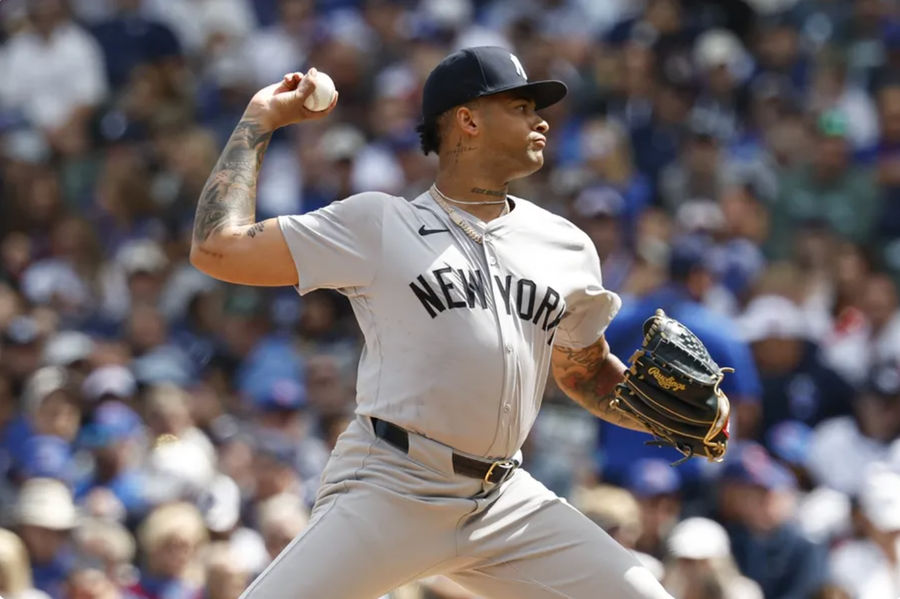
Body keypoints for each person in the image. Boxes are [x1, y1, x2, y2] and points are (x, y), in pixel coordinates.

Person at [189, 46, 672, 597]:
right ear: (467, 120)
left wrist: (668, 417)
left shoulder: (566, 246)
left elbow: (582, 371)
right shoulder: (378, 223)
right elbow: (217, 248)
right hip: (393, 483)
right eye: (520, 106)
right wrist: (260, 119)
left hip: (504, 500)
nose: (541, 119)